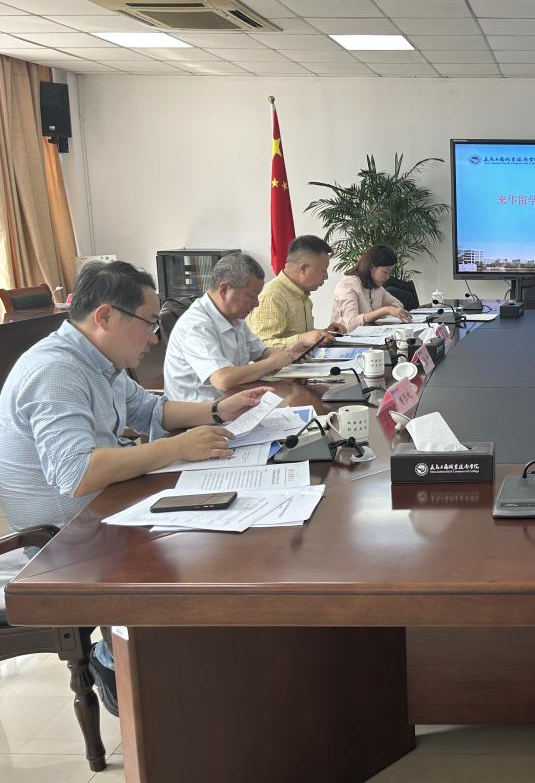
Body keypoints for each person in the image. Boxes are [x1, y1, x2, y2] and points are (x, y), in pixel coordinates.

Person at [0, 260, 270, 716]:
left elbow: (150, 410)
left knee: (233, 529)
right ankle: (119, 667)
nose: (154, 338)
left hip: (109, 508)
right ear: (105, 317)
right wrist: (177, 448)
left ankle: (197, 667)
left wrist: (219, 411)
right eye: (149, 323)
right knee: (203, 552)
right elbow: (76, 473)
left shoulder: (99, 360)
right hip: (63, 540)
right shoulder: (55, 371)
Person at [164, 253, 313, 402]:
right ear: (224, 290)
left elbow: (262, 352)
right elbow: (222, 379)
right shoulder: (197, 326)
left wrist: (289, 354)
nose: (256, 303)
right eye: (252, 296)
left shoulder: (234, 317)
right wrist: (273, 362)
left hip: (232, 402)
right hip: (201, 412)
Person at [247, 235, 345, 348]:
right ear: (303, 269)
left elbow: (299, 335)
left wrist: (324, 334)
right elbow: (260, 346)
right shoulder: (272, 296)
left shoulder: (301, 293)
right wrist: (301, 340)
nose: (326, 277)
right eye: (323, 270)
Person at [330, 244, 412, 331]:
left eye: (390, 273)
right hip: (345, 337)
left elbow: (397, 304)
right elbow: (351, 323)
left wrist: (390, 310)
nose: (388, 277)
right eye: (385, 272)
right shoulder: (347, 285)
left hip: (371, 335)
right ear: (371, 267)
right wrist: (385, 310)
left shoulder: (376, 287)